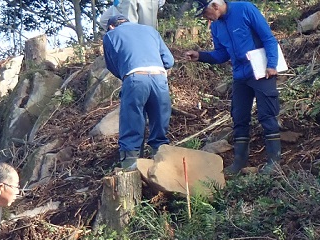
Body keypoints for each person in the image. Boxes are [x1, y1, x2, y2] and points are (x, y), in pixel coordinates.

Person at [184, 0, 282, 175]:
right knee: (239, 116)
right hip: (240, 75)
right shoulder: (216, 26)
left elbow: (268, 37)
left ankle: (274, 161)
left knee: (267, 114)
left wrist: (272, 64)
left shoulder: (244, 9)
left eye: (206, 13)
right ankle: (240, 161)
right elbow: (221, 54)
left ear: (215, 5)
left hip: (261, 70)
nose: (206, 18)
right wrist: (200, 56)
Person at [103, 14, 174, 170]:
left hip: (135, 78)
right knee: (159, 122)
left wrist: (126, 75)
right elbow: (169, 61)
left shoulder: (110, 35)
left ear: (111, 26)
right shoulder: (150, 30)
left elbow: (112, 65)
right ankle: (162, 165)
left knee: (132, 119)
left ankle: (130, 166)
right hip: (160, 78)